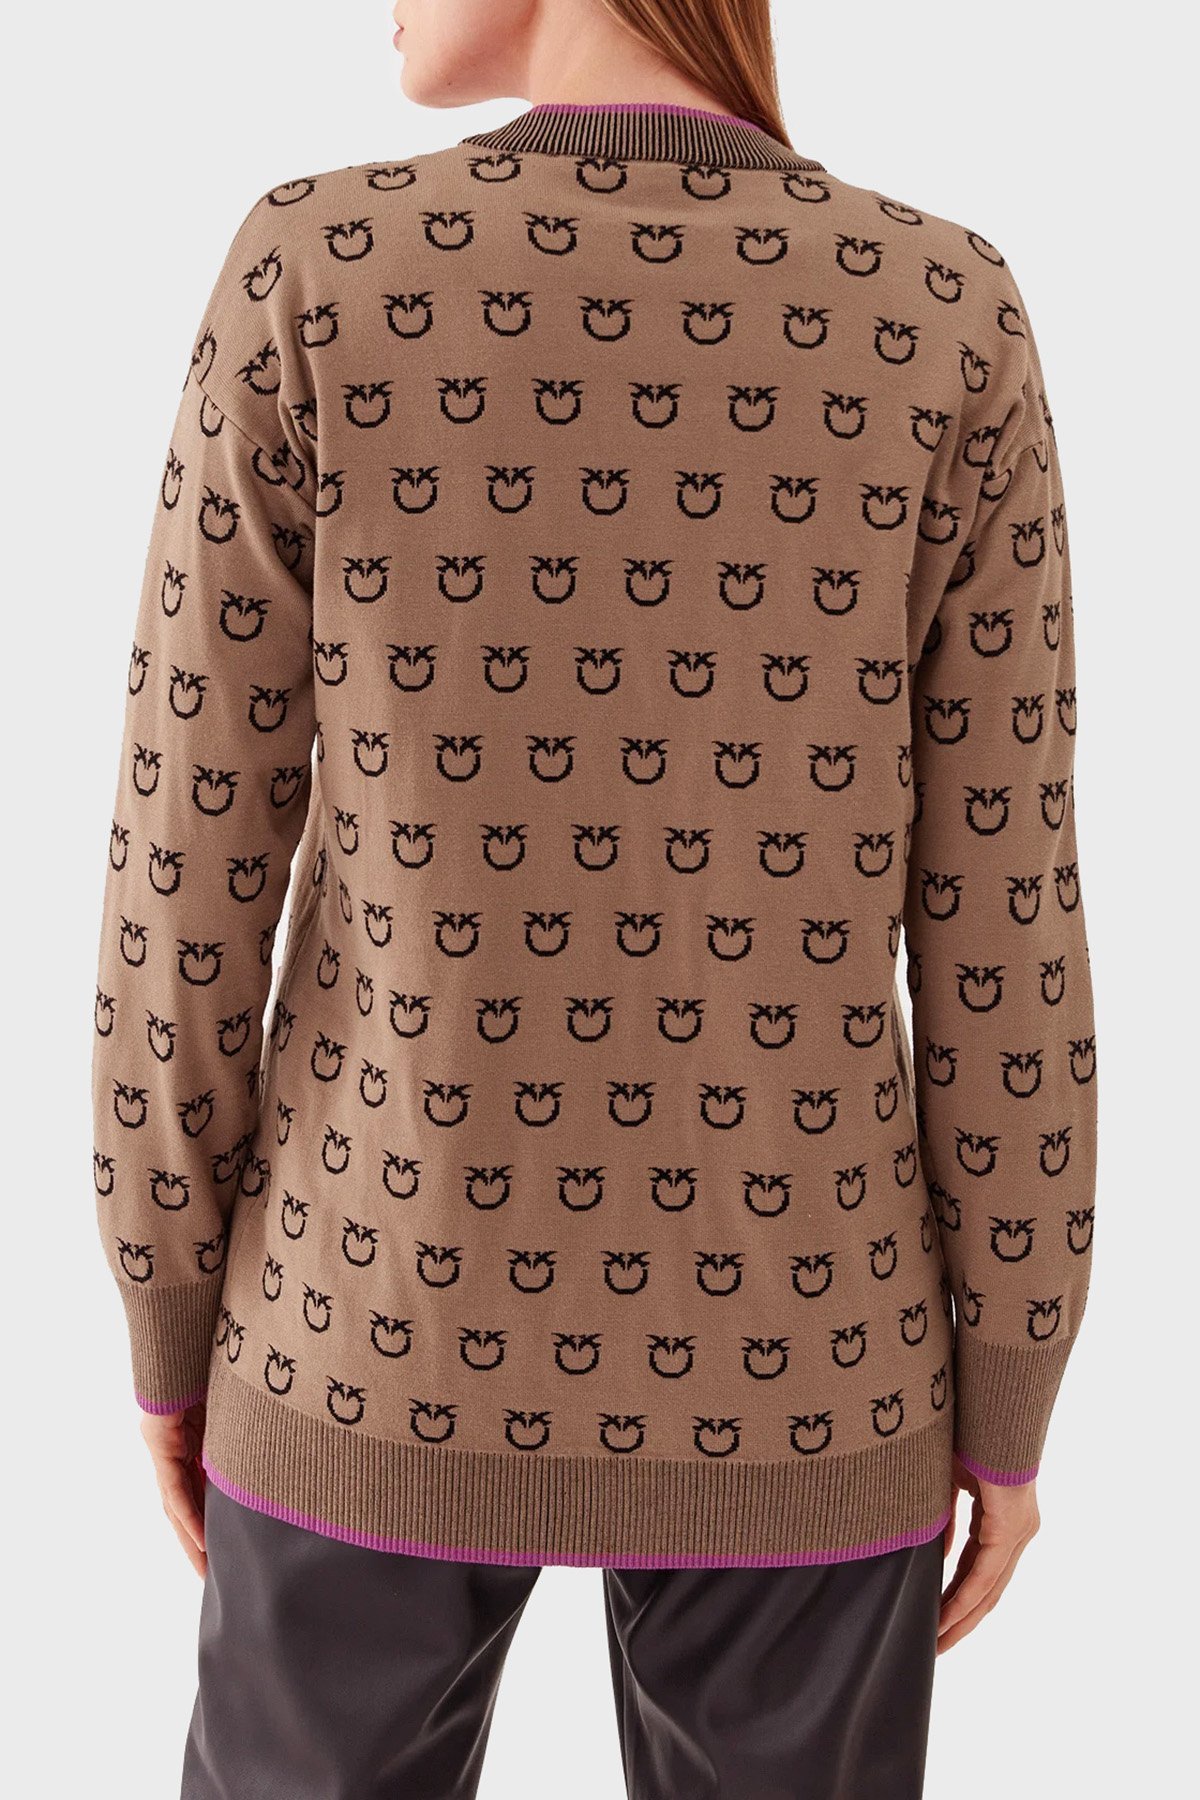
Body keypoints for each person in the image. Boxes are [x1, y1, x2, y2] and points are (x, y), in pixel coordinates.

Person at [89, 1, 1099, 1793]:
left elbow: (187, 865)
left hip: (361, 1327)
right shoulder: (942, 312)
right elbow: (1005, 924)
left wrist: (168, 1310)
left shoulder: (321, 271)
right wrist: (1010, 1377)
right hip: (809, 1356)